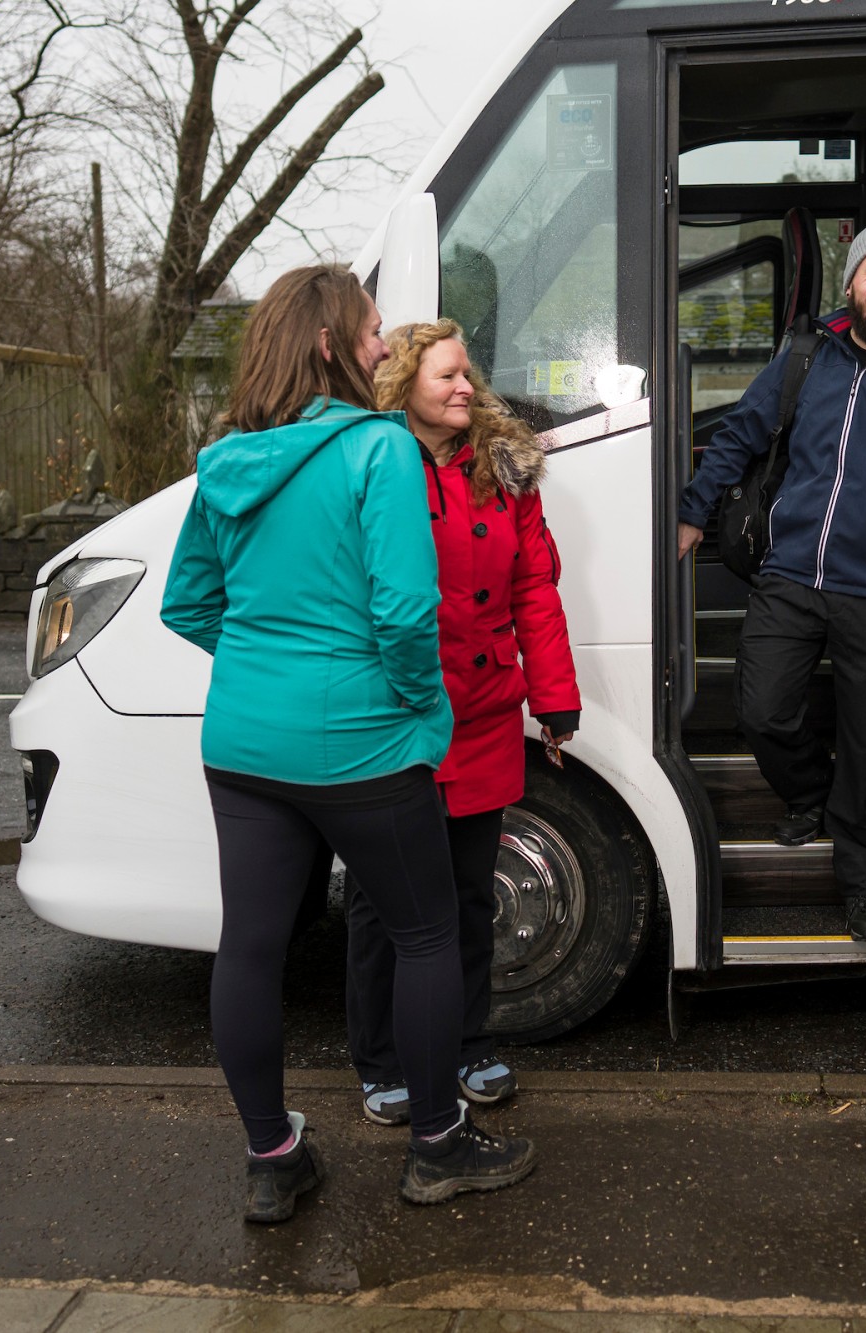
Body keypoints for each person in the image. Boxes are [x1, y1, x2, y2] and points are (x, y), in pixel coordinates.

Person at [161, 266, 536, 1224]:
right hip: (365, 743)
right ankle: (440, 1146)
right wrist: (420, 712)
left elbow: (189, 605)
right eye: (372, 331)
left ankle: (272, 1156)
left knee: (248, 946)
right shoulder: (377, 450)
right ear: (332, 344)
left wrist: (265, 664)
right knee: (425, 933)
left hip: (243, 741)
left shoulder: (228, 457)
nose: (383, 345)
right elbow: (407, 612)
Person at [677, 221, 866, 943]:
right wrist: (693, 513)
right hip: (790, 573)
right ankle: (811, 792)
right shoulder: (805, 359)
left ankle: (865, 882)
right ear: (852, 282)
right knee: (763, 711)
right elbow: (741, 435)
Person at [344, 318, 582, 1126]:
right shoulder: (371, 463)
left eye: (467, 376)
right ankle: (380, 1059)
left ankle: (466, 1042)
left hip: (480, 715)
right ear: (404, 381)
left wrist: (554, 700)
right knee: (386, 905)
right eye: (445, 375)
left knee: (470, 896)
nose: (464, 389)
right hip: (398, 719)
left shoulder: (504, 473)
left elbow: (534, 591)